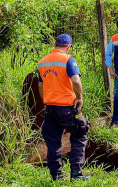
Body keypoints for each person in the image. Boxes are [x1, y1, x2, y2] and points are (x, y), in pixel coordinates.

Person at [38, 34, 90, 181]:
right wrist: (79, 98)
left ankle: (56, 175)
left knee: (53, 141)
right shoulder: (68, 60)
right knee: (80, 135)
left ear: (55, 45)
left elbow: (40, 85)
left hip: (50, 108)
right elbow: (76, 81)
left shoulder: (42, 62)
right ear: (68, 47)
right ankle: (76, 174)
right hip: (67, 107)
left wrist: (46, 100)